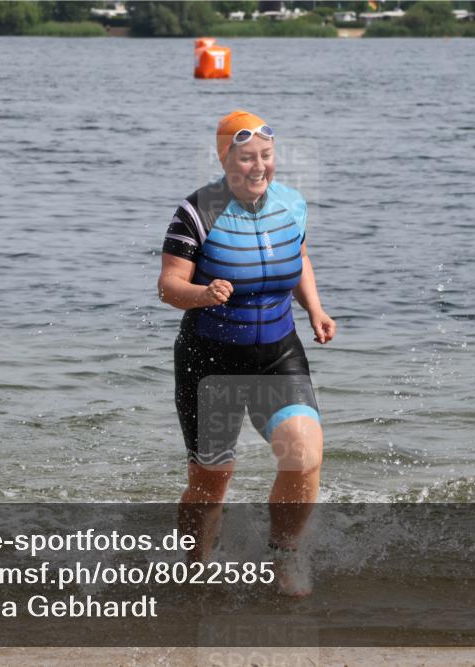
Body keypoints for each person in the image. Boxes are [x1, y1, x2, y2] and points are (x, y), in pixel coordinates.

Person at [156, 110, 336, 596]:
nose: (258, 167)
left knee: (305, 455)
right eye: (246, 157)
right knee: (213, 477)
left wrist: (315, 309)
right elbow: (169, 285)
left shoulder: (292, 205)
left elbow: (298, 259)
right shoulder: (197, 211)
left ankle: (282, 558)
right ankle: (195, 572)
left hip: (278, 350)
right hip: (210, 359)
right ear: (225, 158)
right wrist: (202, 294)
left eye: (266, 156)